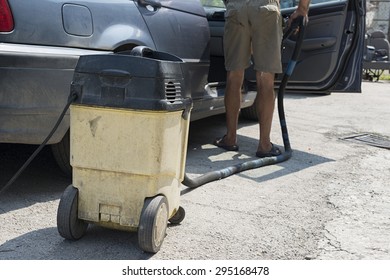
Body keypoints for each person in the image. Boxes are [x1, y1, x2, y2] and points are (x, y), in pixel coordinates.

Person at [214, 0, 310, 157]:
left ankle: (230, 138)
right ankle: (264, 145)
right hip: (266, 9)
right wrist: (302, 9)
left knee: (234, 76)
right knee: (265, 79)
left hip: (236, 9)